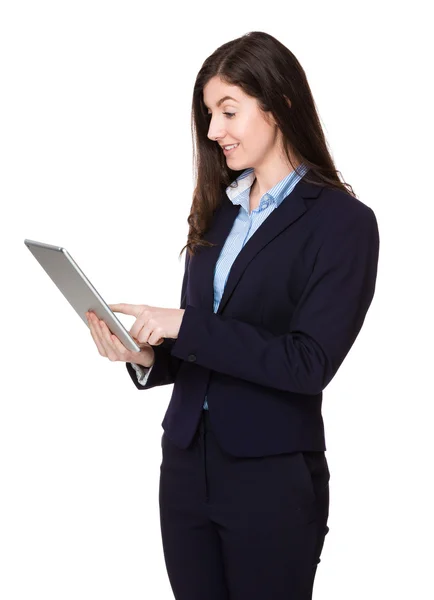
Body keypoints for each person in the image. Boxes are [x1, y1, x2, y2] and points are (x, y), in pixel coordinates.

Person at [86, 30, 380, 600]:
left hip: (269, 474)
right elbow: (202, 343)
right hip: (186, 467)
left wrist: (182, 324)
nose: (213, 130)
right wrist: (144, 353)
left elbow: (307, 362)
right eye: (208, 114)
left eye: (228, 111)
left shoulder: (343, 223)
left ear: (281, 105)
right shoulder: (218, 212)